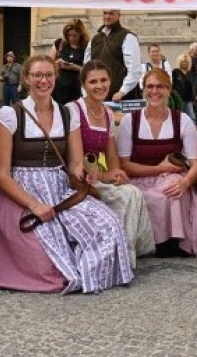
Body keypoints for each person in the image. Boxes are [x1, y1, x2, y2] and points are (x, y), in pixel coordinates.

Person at [0, 55, 133, 293]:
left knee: (109, 224)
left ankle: (89, 271)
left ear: (56, 77)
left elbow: (74, 164)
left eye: (49, 75)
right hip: (21, 193)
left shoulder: (67, 114)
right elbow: (0, 174)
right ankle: (70, 268)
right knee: (45, 260)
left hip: (61, 189)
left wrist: (86, 175)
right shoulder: (10, 115)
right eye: (37, 75)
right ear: (27, 79)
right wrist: (34, 205)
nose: (44, 80)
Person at [69, 60, 155, 267]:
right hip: (77, 177)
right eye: (93, 82)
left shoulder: (107, 113)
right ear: (84, 85)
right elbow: (77, 160)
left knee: (131, 191)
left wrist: (115, 174)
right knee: (128, 195)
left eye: (104, 80)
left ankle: (123, 251)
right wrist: (105, 176)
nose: (99, 86)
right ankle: (120, 255)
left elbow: (112, 159)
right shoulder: (73, 110)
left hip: (96, 173)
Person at [117, 67, 197, 256]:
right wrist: (159, 168)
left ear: (169, 90)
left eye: (160, 87)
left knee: (173, 187)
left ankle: (173, 241)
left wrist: (186, 182)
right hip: (139, 178)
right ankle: (149, 242)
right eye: (150, 87)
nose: (155, 91)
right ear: (143, 90)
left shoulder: (183, 120)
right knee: (141, 194)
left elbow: (196, 163)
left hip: (170, 176)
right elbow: (123, 164)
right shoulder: (130, 121)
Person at [84, 9, 142, 101]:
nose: (107, 16)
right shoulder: (95, 39)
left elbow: (134, 69)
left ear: (118, 15)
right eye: (105, 13)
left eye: (111, 13)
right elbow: (86, 69)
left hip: (121, 98)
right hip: (98, 97)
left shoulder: (127, 37)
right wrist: (86, 93)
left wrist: (122, 91)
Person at [50, 18, 88, 105]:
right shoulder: (60, 44)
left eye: (75, 35)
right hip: (59, 89)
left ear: (81, 34)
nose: (71, 38)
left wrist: (73, 67)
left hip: (77, 89)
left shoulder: (86, 47)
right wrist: (57, 63)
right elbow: (49, 63)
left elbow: (89, 70)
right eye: (69, 35)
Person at [172, 53, 196, 122]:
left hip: (188, 99)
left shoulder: (192, 73)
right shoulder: (176, 72)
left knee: (191, 117)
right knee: (178, 117)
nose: (184, 63)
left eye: (186, 61)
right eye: (182, 61)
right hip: (178, 99)